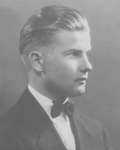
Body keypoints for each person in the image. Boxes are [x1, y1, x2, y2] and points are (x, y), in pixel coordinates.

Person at [0, 5, 114, 150]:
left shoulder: (97, 132)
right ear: (37, 61)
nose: (88, 66)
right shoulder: (6, 135)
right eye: (74, 54)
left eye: (86, 54)